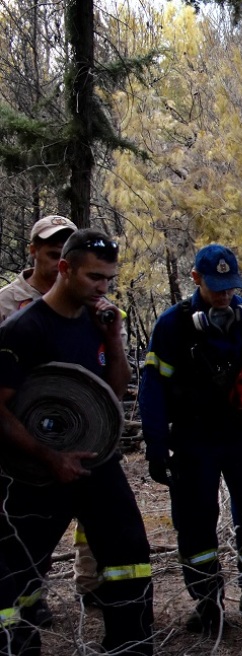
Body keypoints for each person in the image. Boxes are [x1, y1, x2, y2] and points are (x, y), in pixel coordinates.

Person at [0, 228, 154, 655]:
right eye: (93, 278)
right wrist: (49, 457)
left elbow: (116, 392)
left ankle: (130, 645)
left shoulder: (98, 321)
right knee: (18, 572)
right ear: (64, 269)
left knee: (130, 555)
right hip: (36, 472)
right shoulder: (23, 328)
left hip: (96, 464)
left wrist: (112, 341)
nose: (102, 287)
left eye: (108, 278)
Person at [139, 243, 242, 633]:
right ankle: (207, 603)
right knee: (195, 524)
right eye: (216, 286)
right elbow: (153, 388)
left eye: (231, 286)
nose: (225, 294)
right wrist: (156, 445)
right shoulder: (172, 326)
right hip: (195, 441)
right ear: (196, 279)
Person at [0, 215, 76, 321]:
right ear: (33, 251)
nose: (61, 264)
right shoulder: (5, 302)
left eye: (67, 257)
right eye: (54, 255)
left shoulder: (84, 298)